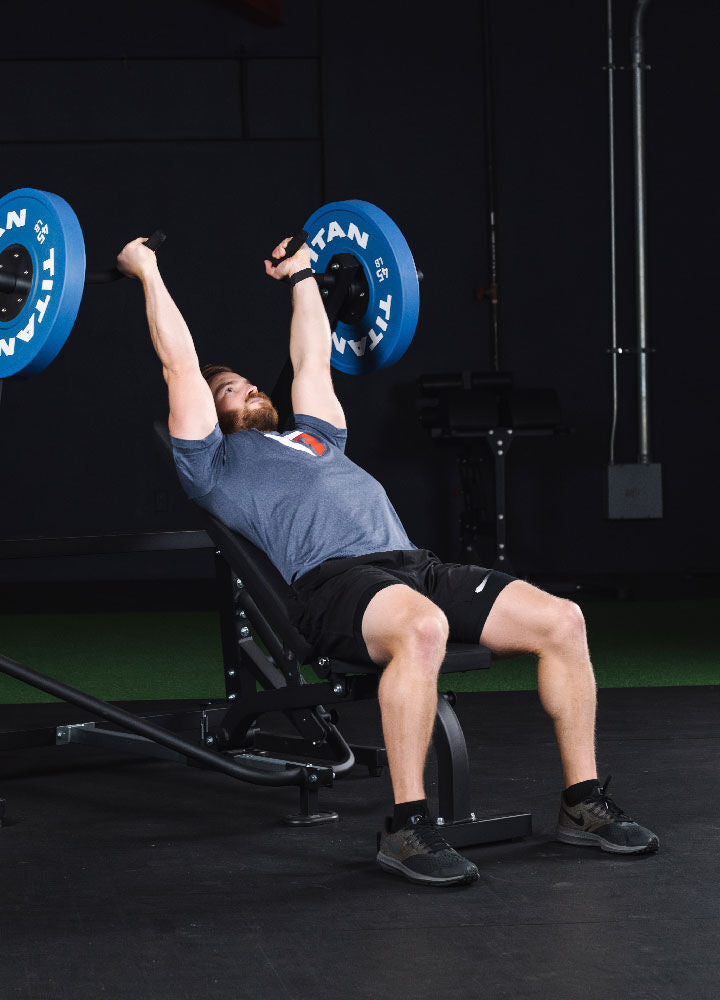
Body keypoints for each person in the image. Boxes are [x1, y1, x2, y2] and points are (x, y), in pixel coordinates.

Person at [115, 232, 659, 887]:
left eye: (245, 382)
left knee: (563, 621)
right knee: (423, 629)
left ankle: (583, 804)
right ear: (207, 410)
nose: (248, 386)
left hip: (415, 566)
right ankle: (406, 826)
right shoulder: (212, 464)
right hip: (336, 585)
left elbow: (312, 354)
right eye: (230, 388)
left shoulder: (312, 433)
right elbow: (181, 364)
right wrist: (146, 269)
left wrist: (301, 275)